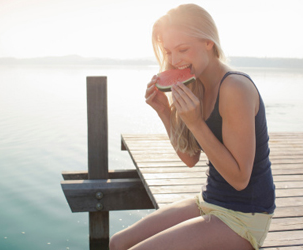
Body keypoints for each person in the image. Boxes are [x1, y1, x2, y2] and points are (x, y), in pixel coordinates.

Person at [109, 3, 275, 250]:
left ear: (209, 42)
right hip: (209, 201)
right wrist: (165, 112)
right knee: (117, 243)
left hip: (245, 216)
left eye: (183, 49)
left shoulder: (235, 88)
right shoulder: (195, 82)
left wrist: (196, 123)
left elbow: (240, 179)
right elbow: (190, 158)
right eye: (168, 52)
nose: (175, 61)